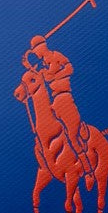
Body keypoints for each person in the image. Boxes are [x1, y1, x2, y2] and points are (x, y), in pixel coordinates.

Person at [23, 35, 93, 186]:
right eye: (34, 51)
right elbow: (37, 78)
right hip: (54, 102)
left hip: (64, 98)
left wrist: (55, 76)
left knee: (72, 137)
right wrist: (28, 65)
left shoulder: (56, 56)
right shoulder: (42, 66)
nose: (36, 53)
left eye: (36, 50)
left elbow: (70, 68)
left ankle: (88, 172)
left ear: (42, 47)